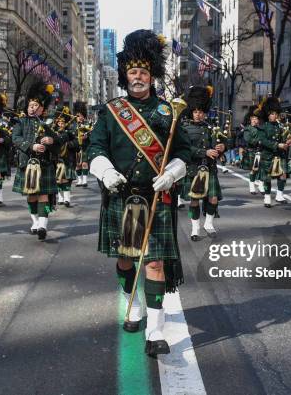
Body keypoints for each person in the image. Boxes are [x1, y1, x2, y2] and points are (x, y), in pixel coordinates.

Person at [88, 29, 191, 357]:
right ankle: (133, 308)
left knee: (155, 263)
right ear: (125, 76)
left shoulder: (167, 112)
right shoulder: (111, 110)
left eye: (143, 72)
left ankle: (155, 331)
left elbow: (185, 152)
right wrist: (105, 171)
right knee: (126, 258)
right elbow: (95, 147)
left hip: (156, 196)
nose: (138, 77)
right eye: (133, 72)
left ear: (152, 76)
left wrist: (172, 173)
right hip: (124, 196)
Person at [12, 82, 60, 240]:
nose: (32, 108)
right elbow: (16, 139)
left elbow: (58, 142)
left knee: (44, 195)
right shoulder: (21, 122)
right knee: (32, 196)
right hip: (27, 164)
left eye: (36, 105)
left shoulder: (48, 124)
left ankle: (42, 226)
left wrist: (50, 140)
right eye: (30, 105)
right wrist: (31, 146)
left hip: (45, 164)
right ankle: (35, 221)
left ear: (42, 109)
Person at [180, 85, 223, 241]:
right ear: (192, 111)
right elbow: (184, 149)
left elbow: (218, 146)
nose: (198, 115)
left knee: (213, 198)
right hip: (193, 169)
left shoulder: (210, 128)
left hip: (210, 168)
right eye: (196, 111)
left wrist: (221, 148)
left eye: (201, 112)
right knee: (194, 201)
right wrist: (204, 152)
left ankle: (208, 224)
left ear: (205, 112)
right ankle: (195, 228)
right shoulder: (184, 128)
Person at [257, 97, 291, 208]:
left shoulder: (280, 126)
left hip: (280, 155)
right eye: (272, 114)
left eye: (276, 113)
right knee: (267, 178)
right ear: (268, 115)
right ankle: (267, 196)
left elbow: (289, 136)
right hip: (268, 155)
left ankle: (279, 195)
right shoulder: (263, 127)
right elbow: (263, 140)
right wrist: (277, 145)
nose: (275, 116)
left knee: (283, 175)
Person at [53, 106, 79, 207]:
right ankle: (60, 198)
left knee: (67, 180)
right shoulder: (54, 134)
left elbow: (77, 144)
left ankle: (67, 199)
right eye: (59, 123)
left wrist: (69, 144)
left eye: (63, 123)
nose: (61, 125)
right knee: (58, 181)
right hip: (57, 160)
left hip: (68, 159)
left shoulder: (70, 133)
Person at [241, 106, 265, 195]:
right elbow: (247, 139)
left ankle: (261, 185)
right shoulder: (247, 129)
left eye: (256, 119)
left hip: (261, 151)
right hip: (252, 151)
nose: (255, 120)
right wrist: (258, 141)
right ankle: (251, 185)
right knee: (254, 169)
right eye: (253, 118)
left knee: (262, 170)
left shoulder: (261, 129)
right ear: (251, 119)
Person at [73, 101, 91, 187]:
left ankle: (85, 180)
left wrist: (87, 136)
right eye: (77, 116)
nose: (79, 117)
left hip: (85, 146)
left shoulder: (87, 124)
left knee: (84, 163)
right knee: (77, 164)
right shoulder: (72, 125)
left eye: (81, 116)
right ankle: (79, 180)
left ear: (84, 115)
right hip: (76, 146)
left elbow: (91, 133)